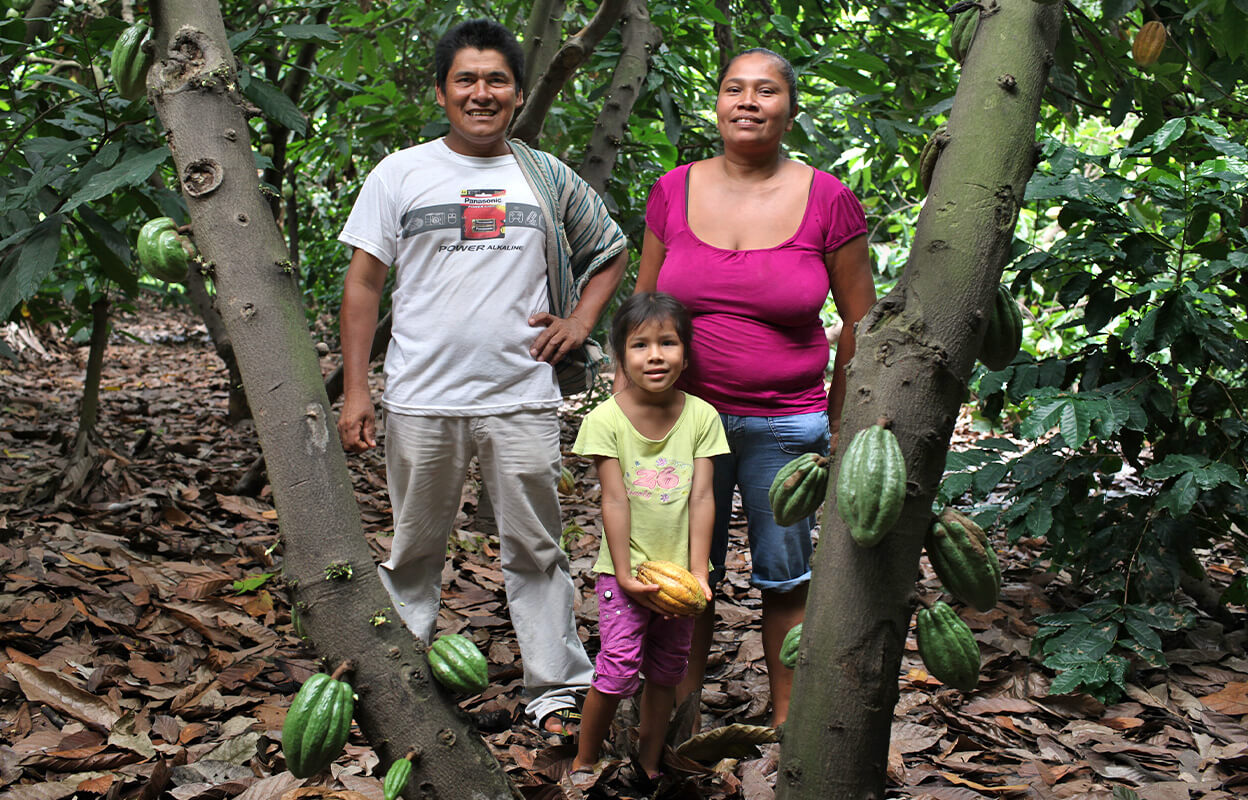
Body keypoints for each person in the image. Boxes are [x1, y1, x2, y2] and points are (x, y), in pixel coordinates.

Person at [335, 19, 629, 740]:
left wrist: (582, 324)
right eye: (466, 79)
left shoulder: (544, 175)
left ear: (519, 92)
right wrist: (357, 387)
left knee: (536, 548)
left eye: (497, 80)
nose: (481, 93)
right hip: (421, 395)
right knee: (413, 547)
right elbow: (364, 286)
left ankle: (557, 687)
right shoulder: (400, 172)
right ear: (442, 91)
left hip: (520, 395)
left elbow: (612, 249)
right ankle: (399, 678)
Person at [634, 48, 878, 727]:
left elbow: (861, 320)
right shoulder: (672, 190)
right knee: (685, 581)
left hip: (787, 425)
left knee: (786, 578)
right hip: (685, 426)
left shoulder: (828, 199)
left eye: (765, 91)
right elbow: (645, 312)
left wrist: (842, 418)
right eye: (734, 90)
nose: (748, 101)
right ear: (716, 106)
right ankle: (680, 719)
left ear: (789, 110)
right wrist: (636, 410)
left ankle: (788, 724)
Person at [569, 292, 729, 779]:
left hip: (680, 577)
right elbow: (613, 501)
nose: (655, 356)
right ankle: (584, 759)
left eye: (668, 343)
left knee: (666, 673)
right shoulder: (605, 420)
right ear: (620, 356)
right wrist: (623, 574)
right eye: (640, 345)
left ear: (686, 352)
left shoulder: (702, 417)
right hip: (624, 577)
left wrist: (700, 573)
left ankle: (651, 762)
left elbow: (703, 499)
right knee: (617, 670)